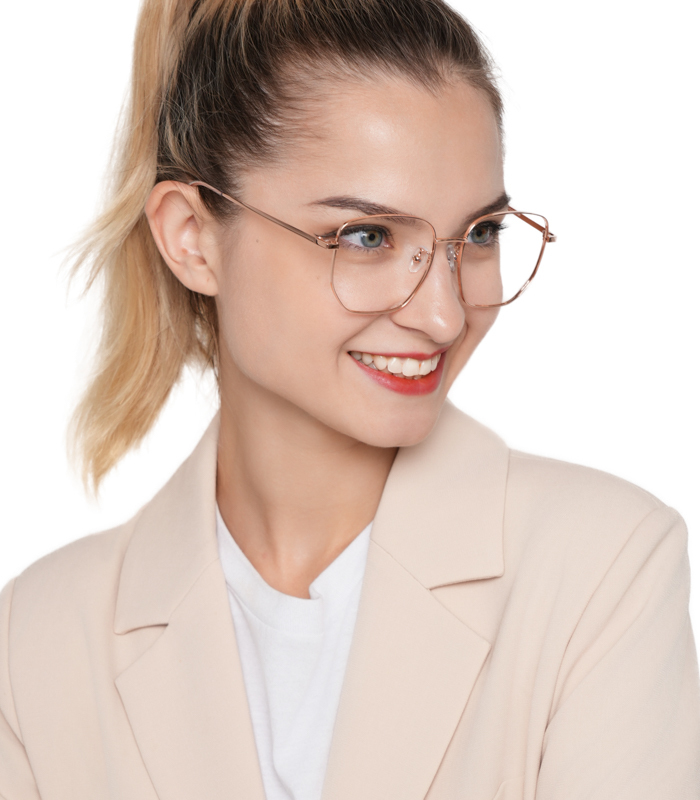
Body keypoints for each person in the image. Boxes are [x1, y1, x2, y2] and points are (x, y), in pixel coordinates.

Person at [1, 0, 698, 798]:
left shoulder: (602, 570)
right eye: (368, 238)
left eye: (479, 234)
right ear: (192, 238)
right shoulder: (37, 642)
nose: (444, 314)